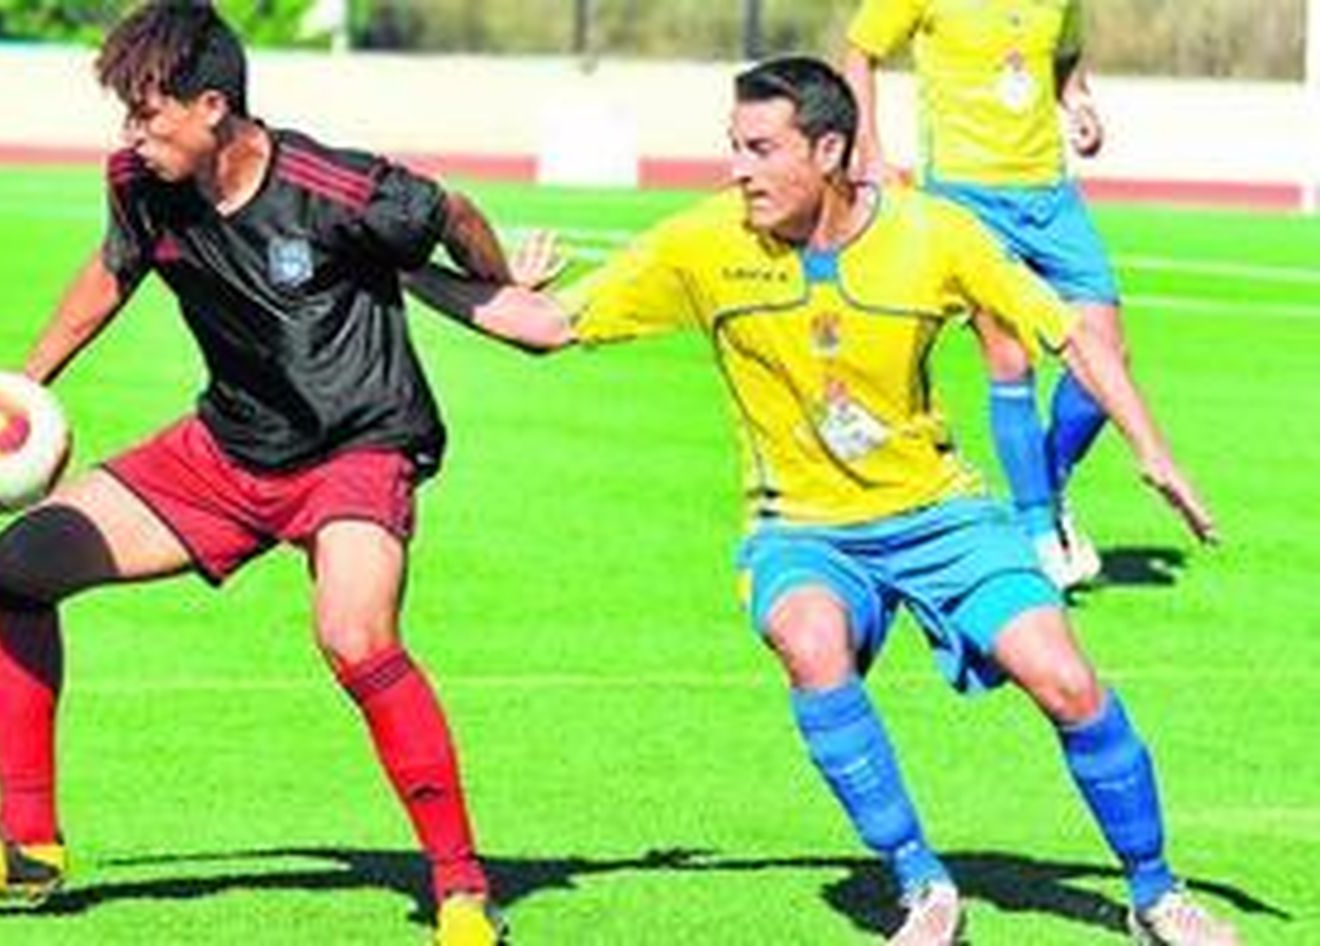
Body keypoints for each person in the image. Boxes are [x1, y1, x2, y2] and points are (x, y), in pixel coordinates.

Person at [406, 56, 1238, 946]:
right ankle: (923, 886)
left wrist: (1154, 451)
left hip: (942, 516)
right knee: (809, 643)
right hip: (801, 532)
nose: (739, 169)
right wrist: (399, 271)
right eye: (733, 146)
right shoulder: (704, 243)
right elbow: (551, 324)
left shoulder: (935, 235)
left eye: (762, 149)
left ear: (831, 149)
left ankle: (1156, 893)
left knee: (1067, 681)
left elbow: (1068, 333)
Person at [0, 4, 509, 943]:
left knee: (354, 636)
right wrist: (27, 387)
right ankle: (25, 841)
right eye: (126, 117)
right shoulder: (142, 184)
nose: (132, 138)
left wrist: (500, 284)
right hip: (226, 449)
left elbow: (452, 213)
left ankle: (461, 890)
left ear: (214, 106)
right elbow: (113, 269)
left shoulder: (336, 188)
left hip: (359, 443)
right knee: (11, 573)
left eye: (149, 116)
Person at [843, 0, 1123, 589]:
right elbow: (860, 52)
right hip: (966, 197)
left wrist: (1079, 102)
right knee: (1010, 357)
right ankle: (1041, 536)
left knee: (1106, 362)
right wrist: (869, 151)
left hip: (1051, 197)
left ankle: (1044, 485)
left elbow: (1065, 56)